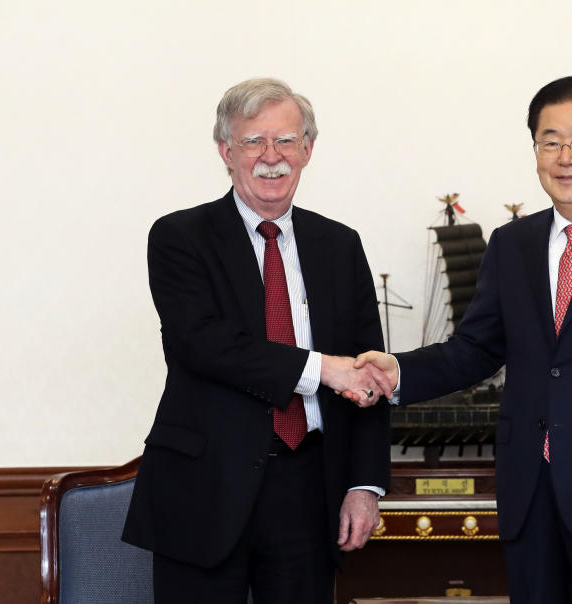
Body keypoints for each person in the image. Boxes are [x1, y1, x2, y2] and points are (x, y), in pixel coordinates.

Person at [354, 76, 572, 603]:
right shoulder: (511, 244)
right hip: (529, 495)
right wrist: (399, 372)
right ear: (536, 152)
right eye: (550, 141)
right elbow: (476, 348)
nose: (566, 156)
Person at [122, 77, 391, 604]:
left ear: (308, 149)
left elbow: (368, 370)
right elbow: (203, 344)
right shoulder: (179, 237)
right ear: (226, 150)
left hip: (310, 489)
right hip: (204, 489)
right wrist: (322, 369)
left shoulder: (340, 245)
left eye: (287, 140)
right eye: (253, 142)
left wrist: (364, 484)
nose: (272, 157)